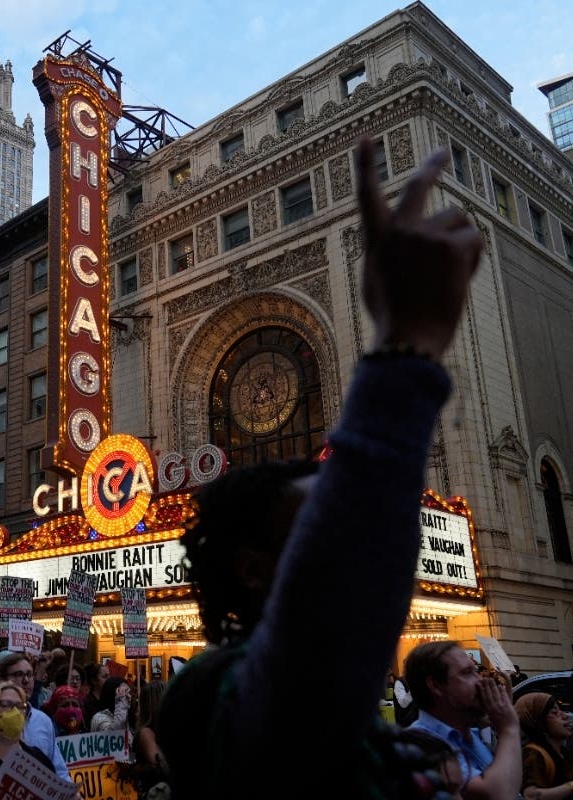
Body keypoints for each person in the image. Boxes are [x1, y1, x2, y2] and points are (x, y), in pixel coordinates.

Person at [154, 138, 484, 798]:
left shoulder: (342, 722)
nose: (353, 532)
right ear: (254, 569)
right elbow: (333, 601)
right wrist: (406, 344)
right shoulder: (220, 694)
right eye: (324, 521)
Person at [405, 641, 521, 797]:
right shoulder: (421, 744)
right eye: (467, 673)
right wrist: (508, 727)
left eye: (476, 671)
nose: (480, 680)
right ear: (435, 685)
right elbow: (496, 794)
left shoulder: (469, 733)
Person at [0, 653, 71, 781]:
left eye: (30, 675)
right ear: (2, 680)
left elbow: (58, 768)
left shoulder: (43, 720)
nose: (26, 680)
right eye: (18, 675)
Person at [514, 692, 573, 797]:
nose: (564, 716)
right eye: (554, 712)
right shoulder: (534, 753)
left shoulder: (563, 752)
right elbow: (530, 795)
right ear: (539, 722)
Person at [89, 676, 135, 742]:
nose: (128, 696)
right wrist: (121, 703)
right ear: (112, 694)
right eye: (123, 692)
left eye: (128, 692)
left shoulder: (126, 716)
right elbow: (114, 737)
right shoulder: (100, 718)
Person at [81, 662, 108, 729]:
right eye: (104, 677)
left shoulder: (109, 700)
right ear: (94, 680)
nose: (108, 679)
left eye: (109, 676)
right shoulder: (86, 703)